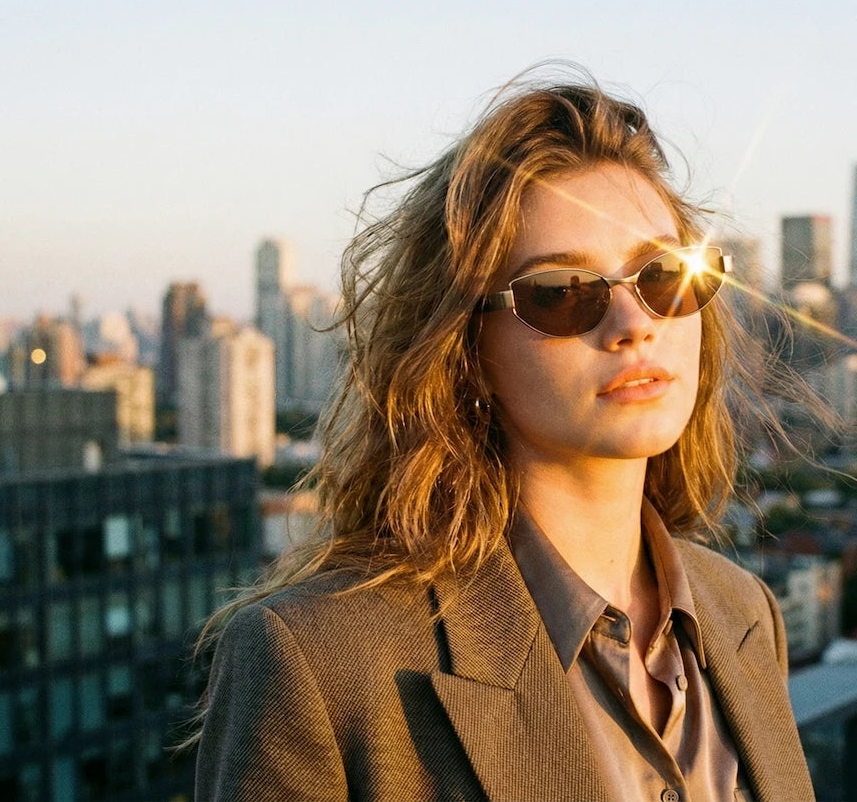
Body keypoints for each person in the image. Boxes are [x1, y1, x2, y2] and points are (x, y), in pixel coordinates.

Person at [192, 71, 816, 802]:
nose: (634, 324)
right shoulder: (322, 664)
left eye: (663, 275)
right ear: (469, 351)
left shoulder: (743, 614)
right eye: (560, 292)